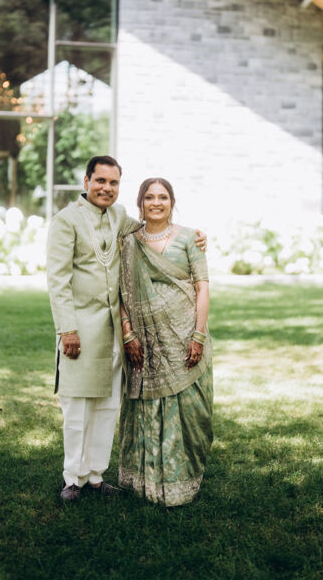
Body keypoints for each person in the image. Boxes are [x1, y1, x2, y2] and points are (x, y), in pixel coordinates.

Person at [46, 157, 206, 502]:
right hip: (80, 329)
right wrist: (66, 329)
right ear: (86, 181)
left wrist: (193, 236)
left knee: (107, 406)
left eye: (113, 183)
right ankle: (72, 479)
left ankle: (95, 476)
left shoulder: (118, 216)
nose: (106, 188)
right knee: (77, 406)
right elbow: (57, 280)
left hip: (115, 331)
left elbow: (153, 226)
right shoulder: (66, 221)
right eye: (100, 180)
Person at [118, 178, 213, 507]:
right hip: (143, 340)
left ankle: (182, 477)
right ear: (140, 203)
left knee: (189, 409)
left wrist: (198, 335)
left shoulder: (189, 237)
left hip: (184, 336)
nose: (156, 203)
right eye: (149, 197)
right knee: (146, 407)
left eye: (163, 197)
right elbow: (120, 291)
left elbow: (202, 287)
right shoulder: (128, 241)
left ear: (172, 202)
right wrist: (127, 332)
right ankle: (144, 480)